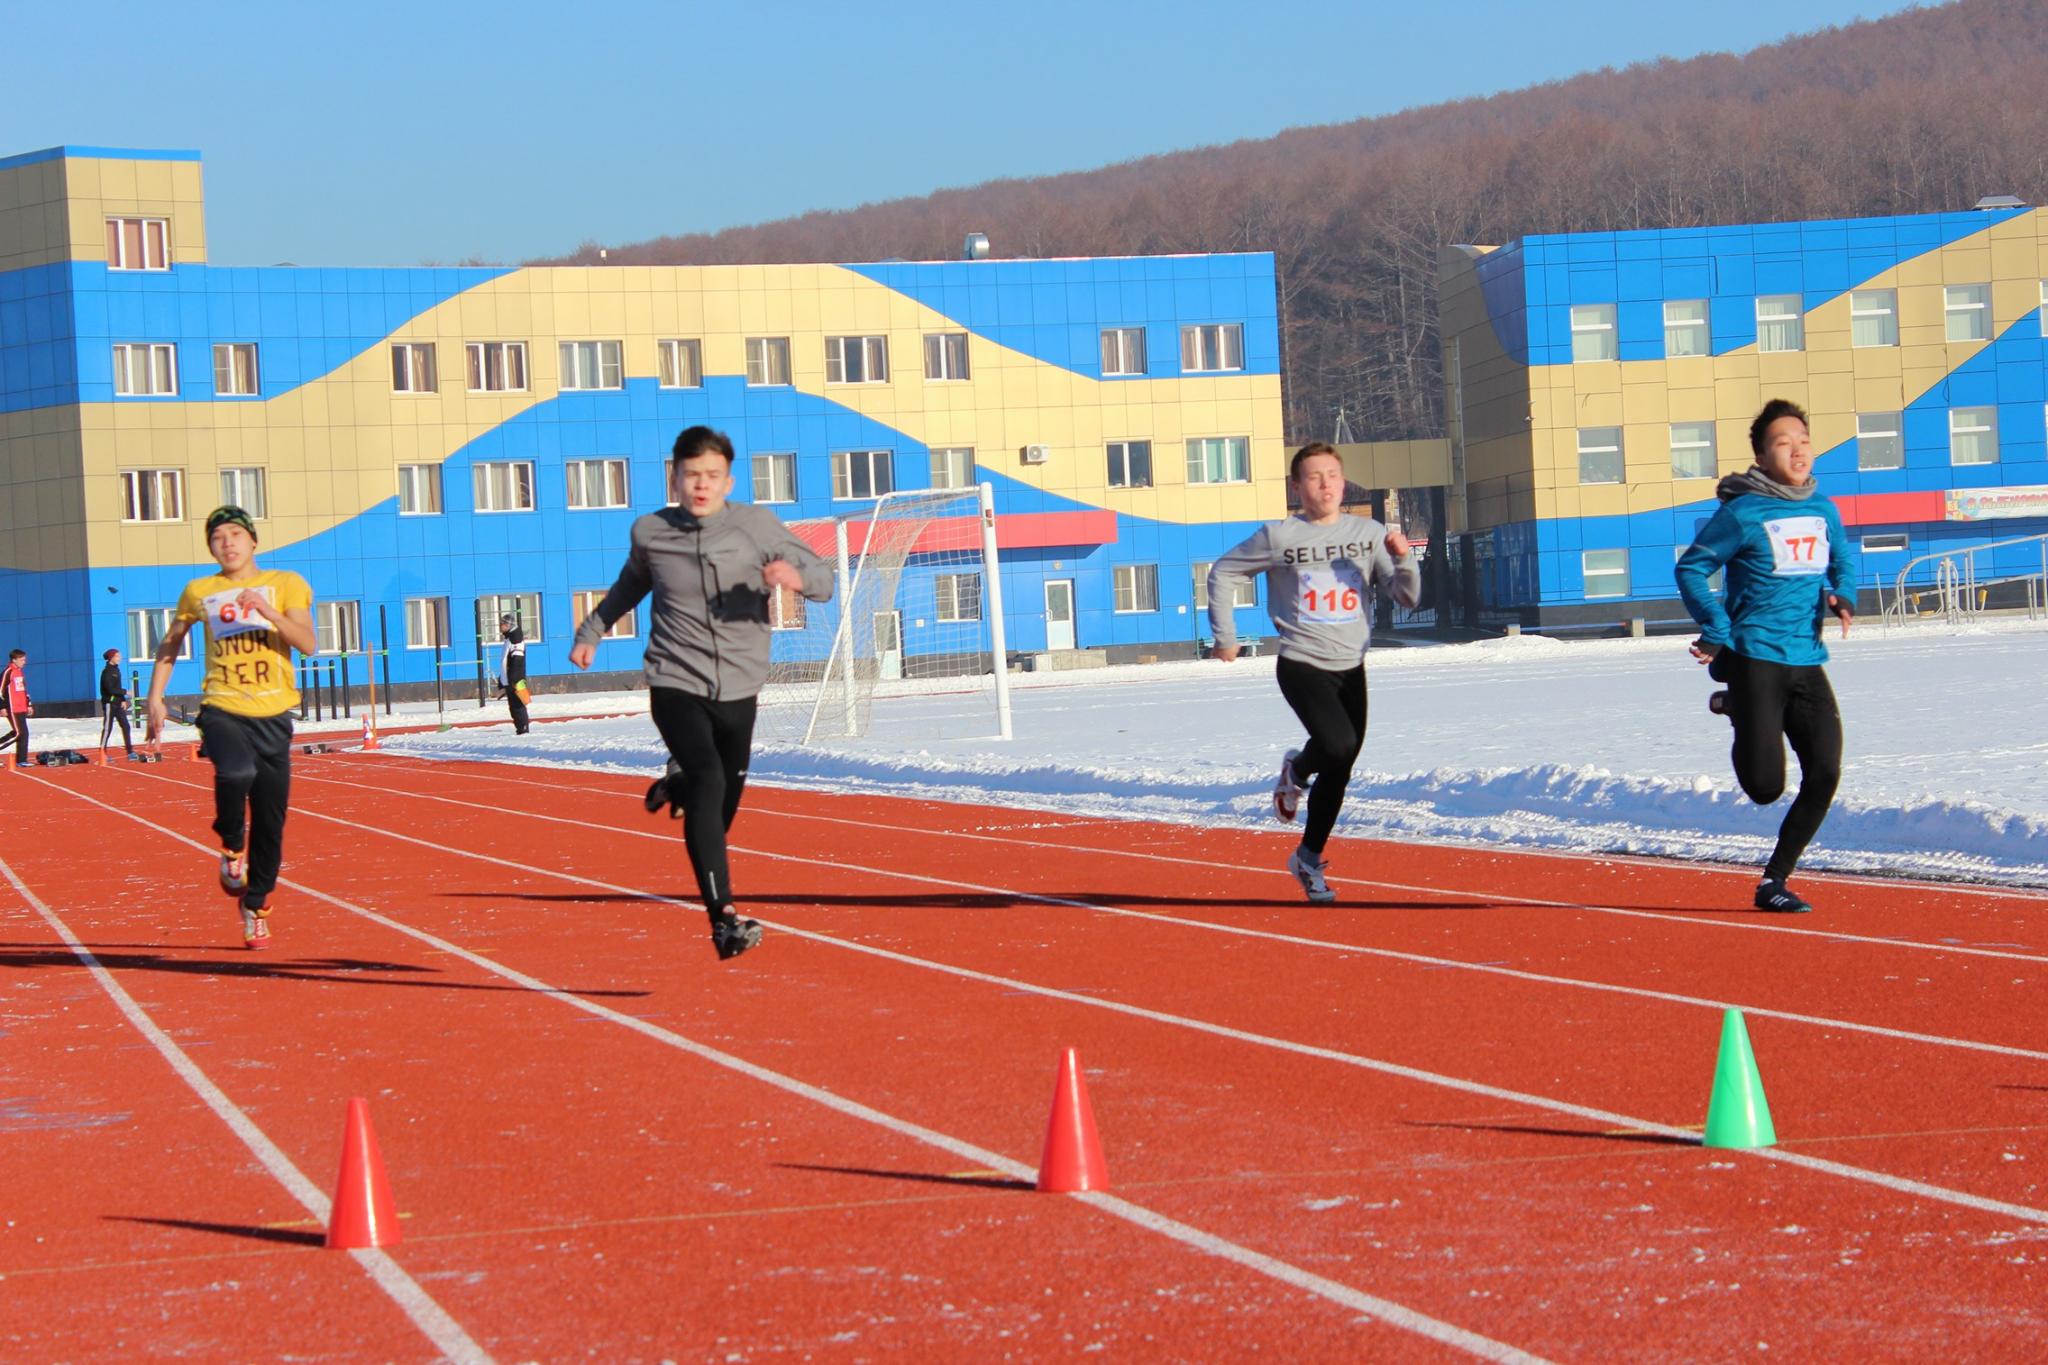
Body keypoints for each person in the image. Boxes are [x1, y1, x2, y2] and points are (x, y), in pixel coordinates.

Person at [570, 426, 833, 961]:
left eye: (712, 475)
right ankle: (724, 920)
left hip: (740, 684)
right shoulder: (651, 532)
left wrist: (796, 578)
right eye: (692, 474)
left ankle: (682, 787)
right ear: (676, 477)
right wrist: (592, 631)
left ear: (727, 480)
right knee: (712, 779)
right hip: (674, 678)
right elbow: (630, 585)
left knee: (721, 805)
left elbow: (823, 576)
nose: (701, 485)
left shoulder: (756, 526)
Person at [1208, 441, 1420, 903]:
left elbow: (1406, 598)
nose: (1325, 484)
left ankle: (1307, 857)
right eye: (1313, 476)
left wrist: (1404, 558)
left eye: (1332, 475)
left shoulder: (1368, 533)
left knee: (1341, 765)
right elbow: (1223, 573)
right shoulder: (1279, 536)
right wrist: (1226, 635)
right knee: (1338, 745)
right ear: (1297, 486)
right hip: (1301, 660)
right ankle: (1299, 768)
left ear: (1344, 483)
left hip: (1352, 665)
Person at [1676, 398, 1854, 915]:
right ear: (1762, 454)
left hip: (1806, 658)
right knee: (1764, 787)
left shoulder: (1823, 509)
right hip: (1755, 657)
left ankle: (1774, 880)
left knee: (1824, 771)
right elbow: (1691, 569)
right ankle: (1738, 709)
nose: (1798, 450)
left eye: (1804, 440)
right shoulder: (1743, 514)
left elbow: (1842, 559)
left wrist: (1845, 593)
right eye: (1784, 442)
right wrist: (1716, 625)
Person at [145, 506, 316, 949]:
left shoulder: (286, 585)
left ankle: (255, 905)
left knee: (271, 824)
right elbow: (171, 642)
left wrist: (267, 611)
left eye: (236, 534)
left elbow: (308, 643)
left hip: (275, 715)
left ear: (253, 541)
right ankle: (230, 842)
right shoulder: (200, 591)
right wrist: (155, 697)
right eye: (217, 537)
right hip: (222, 705)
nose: (228, 543)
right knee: (234, 772)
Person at [98, 648, 137, 759]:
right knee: (107, 727)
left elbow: (117, 687)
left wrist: (123, 700)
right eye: (117, 656)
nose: (120, 658)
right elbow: (110, 689)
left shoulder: (116, 670)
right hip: (109, 703)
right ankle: (102, 752)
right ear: (112, 658)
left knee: (126, 725)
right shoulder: (107, 672)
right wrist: (126, 692)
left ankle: (130, 752)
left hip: (118, 703)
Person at [497, 614, 531, 734]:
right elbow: (506, 661)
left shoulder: (515, 639)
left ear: (507, 625)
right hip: (510, 680)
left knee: (518, 706)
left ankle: (523, 729)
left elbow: (517, 661)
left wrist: (513, 680)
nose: (500, 626)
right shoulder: (509, 639)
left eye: (502, 624)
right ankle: (520, 728)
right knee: (513, 706)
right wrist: (502, 680)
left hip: (516, 681)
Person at [0, 648, 29, 768]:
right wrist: (2, 707)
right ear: (14, 660)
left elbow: (23, 690)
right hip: (11, 708)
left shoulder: (19, 672)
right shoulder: (8, 671)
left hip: (21, 707)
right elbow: (0, 691)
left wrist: (28, 704)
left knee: (24, 733)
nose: (24, 662)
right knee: (19, 733)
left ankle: (21, 760)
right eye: (22, 660)